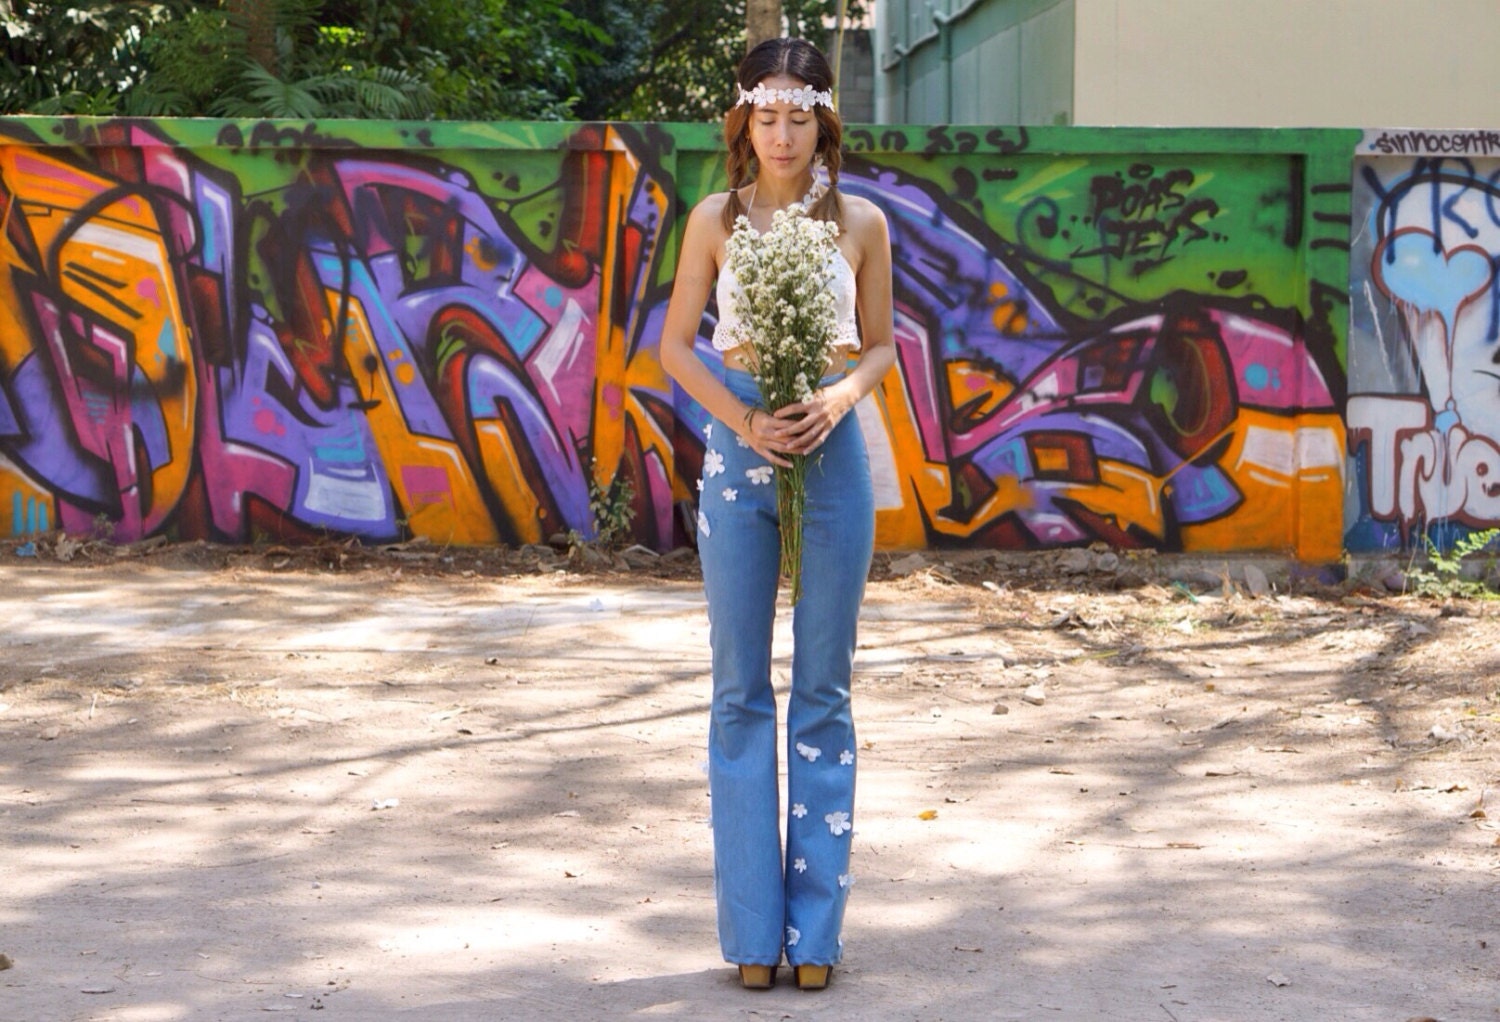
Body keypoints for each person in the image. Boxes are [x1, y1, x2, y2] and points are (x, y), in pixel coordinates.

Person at [658, 36, 896, 992]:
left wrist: (836, 401)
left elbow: (879, 347)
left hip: (834, 452)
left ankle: (818, 938)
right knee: (738, 689)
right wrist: (745, 419)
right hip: (738, 454)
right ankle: (753, 935)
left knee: (825, 689)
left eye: (802, 114)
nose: (784, 132)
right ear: (743, 121)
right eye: (768, 113)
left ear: (824, 122)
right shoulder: (715, 219)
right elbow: (677, 348)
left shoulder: (863, 222)